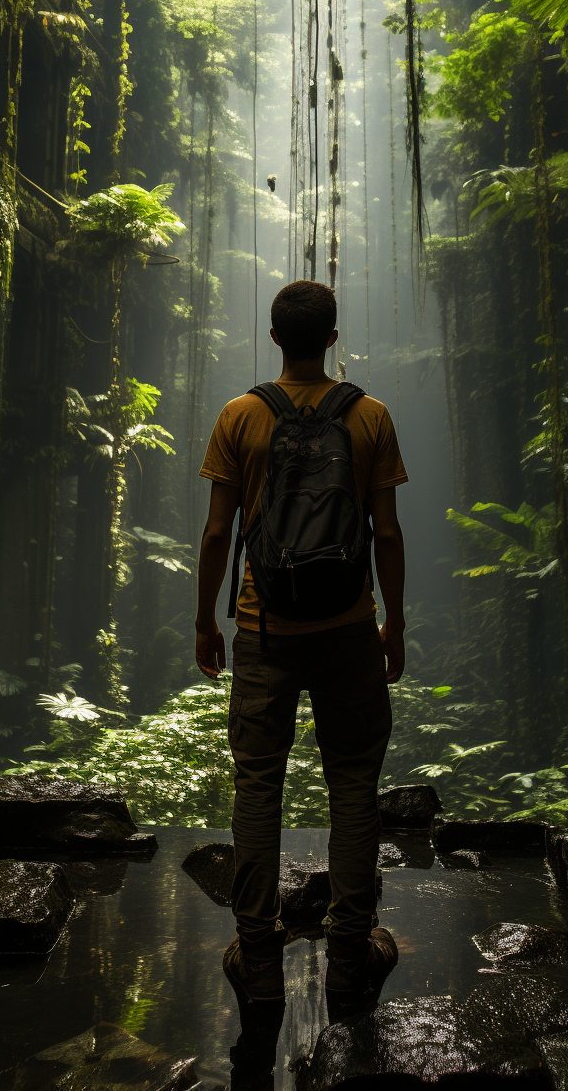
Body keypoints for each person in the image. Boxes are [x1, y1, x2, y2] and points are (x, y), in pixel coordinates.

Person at [195, 280, 408, 1015]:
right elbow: (384, 531)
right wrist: (394, 623)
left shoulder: (240, 415)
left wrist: (205, 622)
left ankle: (259, 961)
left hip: (263, 631)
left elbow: (220, 533)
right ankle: (348, 957)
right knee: (353, 785)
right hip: (349, 630)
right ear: (333, 336)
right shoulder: (370, 416)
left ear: (277, 338)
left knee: (259, 785)